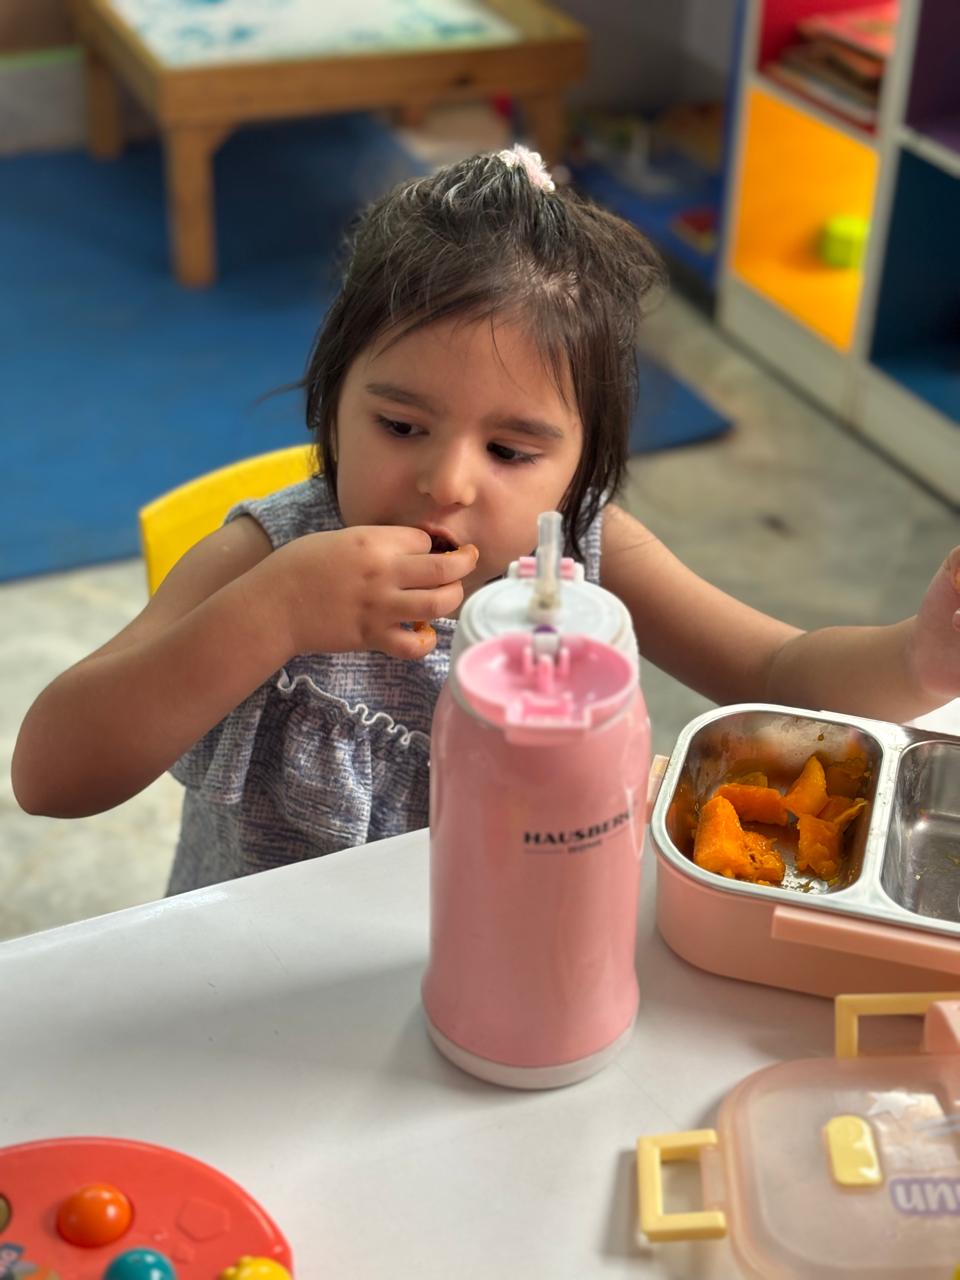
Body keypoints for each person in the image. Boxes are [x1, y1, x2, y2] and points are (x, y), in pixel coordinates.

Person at [12, 145, 960, 893]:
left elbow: (779, 675)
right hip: (251, 985)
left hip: (502, 953)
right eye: (399, 426)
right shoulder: (266, 555)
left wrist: (918, 661)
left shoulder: (587, 553)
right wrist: (272, 613)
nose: (447, 483)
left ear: (582, 463)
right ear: (331, 407)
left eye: (510, 451)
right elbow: (51, 775)